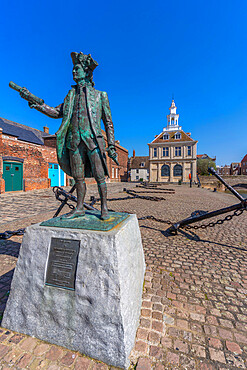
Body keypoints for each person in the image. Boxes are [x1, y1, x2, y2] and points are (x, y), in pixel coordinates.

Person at [24, 52, 118, 220]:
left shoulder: (100, 96)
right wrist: (35, 102)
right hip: (74, 141)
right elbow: (55, 112)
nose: (74, 72)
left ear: (87, 72)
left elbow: (108, 122)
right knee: (78, 177)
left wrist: (111, 144)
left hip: (93, 140)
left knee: (99, 176)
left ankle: (104, 207)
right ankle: (80, 207)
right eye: (73, 69)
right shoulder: (70, 95)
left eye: (77, 69)